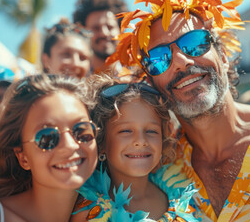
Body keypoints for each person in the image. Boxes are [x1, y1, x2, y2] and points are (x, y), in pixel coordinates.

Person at [106, 0, 250, 221]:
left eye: (194, 43)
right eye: (159, 59)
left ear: (222, 55)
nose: (181, 61)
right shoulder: (155, 165)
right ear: (150, 82)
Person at [71, 73, 204, 221]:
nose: (141, 141)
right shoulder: (86, 211)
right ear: (101, 143)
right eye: (126, 131)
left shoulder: (183, 194)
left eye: (151, 131)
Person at [0, 74, 98, 222]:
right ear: (23, 157)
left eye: (81, 131)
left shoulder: (112, 212)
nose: (70, 145)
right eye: (47, 138)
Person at [73, 0, 128, 74]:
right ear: (83, 34)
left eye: (110, 27)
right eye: (96, 28)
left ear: (121, 30)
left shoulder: (140, 79)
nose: (104, 33)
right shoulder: (77, 82)